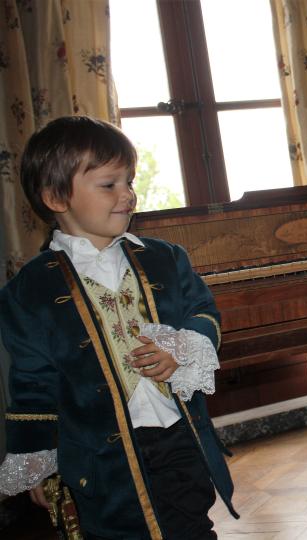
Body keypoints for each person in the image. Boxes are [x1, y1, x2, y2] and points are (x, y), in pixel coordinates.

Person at [0, 116, 238, 539]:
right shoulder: (28, 291)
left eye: (128, 182)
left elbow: (202, 312)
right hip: (98, 460)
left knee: (192, 528)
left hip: (177, 435)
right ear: (56, 197)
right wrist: (36, 458)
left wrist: (180, 349)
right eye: (109, 184)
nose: (127, 195)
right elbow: (31, 383)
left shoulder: (167, 258)